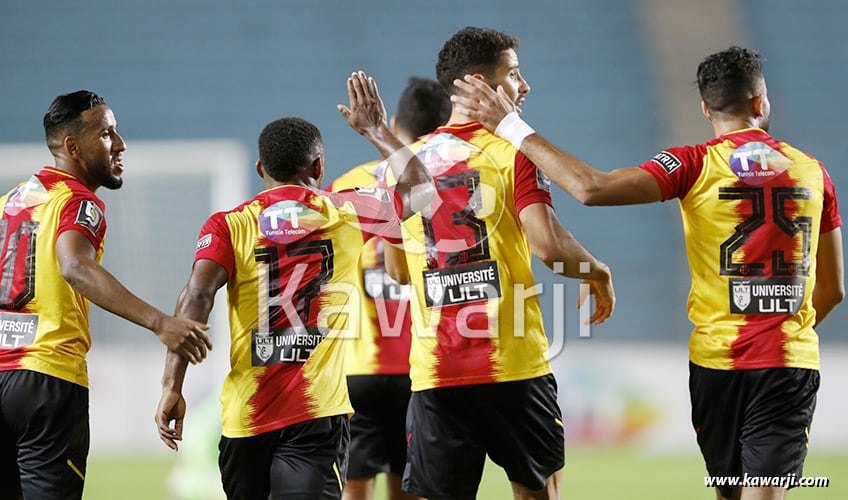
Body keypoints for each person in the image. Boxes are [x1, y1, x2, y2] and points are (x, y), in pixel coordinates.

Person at [453, 46, 844, 500]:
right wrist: (779, 330)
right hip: (784, 362)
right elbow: (832, 290)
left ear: (705, 108)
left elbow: (590, 188)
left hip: (715, 366)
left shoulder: (691, 163)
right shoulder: (814, 173)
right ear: (760, 103)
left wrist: (512, 128)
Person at [154, 71, 436, 500]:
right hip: (315, 417)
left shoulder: (229, 225)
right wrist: (376, 129)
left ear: (260, 169)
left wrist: (172, 386)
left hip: (246, 418)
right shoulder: (347, 211)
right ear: (319, 167)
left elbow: (196, 297)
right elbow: (421, 188)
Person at [388, 27, 615, 500]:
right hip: (513, 366)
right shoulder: (514, 150)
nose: (524, 86)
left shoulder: (404, 165)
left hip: (437, 370)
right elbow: (548, 247)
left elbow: (395, 270)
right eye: (513, 74)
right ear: (478, 84)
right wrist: (596, 271)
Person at [0, 90, 212, 500]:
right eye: (107, 134)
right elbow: (75, 266)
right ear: (72, 147)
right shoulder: (78, 201)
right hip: (47, 379)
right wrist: (160, 322)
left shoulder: (9, 203)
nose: (120, 144)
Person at [327, 76, 450, 500]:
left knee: (353, 482)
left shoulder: (344, 184)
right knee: (410, 483)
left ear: (394, 121)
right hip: (422, 365)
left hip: (358, 361)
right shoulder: (448, 183)